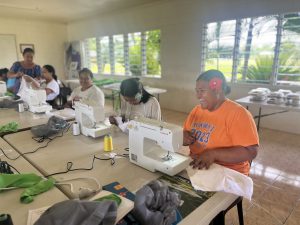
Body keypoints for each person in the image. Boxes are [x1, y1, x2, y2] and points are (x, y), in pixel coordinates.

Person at [183, 70, 258, 175]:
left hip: (229, 173)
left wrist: (213, 154)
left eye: (202, 91)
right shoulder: (196, 110)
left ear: (217, 89)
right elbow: (185, 134)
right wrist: (183, 137)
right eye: (197, 91)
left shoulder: (238, 114)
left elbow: (251, 152)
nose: (198, 96)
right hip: (198, 166)